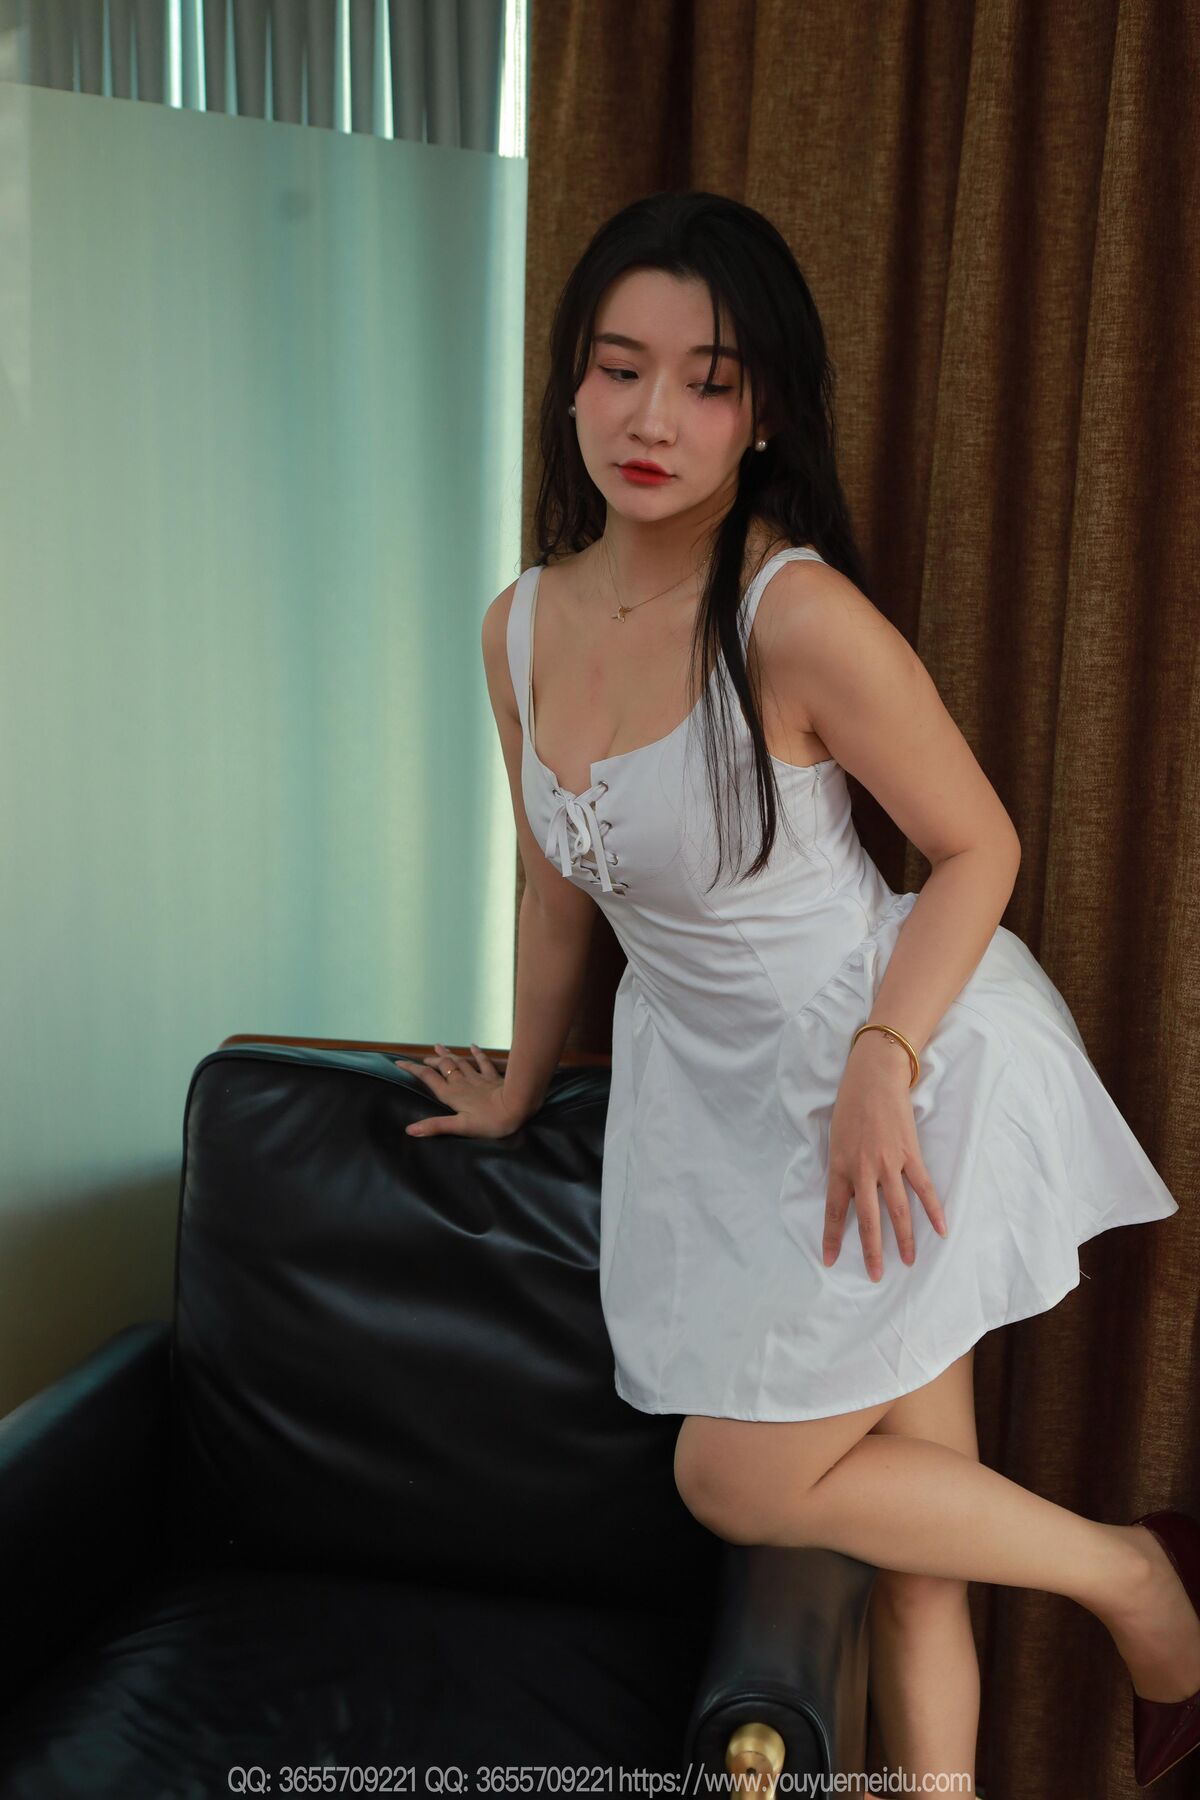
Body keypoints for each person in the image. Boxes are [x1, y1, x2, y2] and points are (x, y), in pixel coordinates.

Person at [393, 191, 1198, 1792]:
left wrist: (885, 1061)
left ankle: (1137, 1581)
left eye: (708, 382)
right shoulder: (519, 625)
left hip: (896, 1065)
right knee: (914, 1554)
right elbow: (558, 894)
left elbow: (976, 846)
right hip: (713, 1110)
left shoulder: (793, 612)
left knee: (736, 1480)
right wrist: (521, 1084)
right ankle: (1112, 1606)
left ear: (760, 417)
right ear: (569, 382)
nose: (652, 418)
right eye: (619, 368)